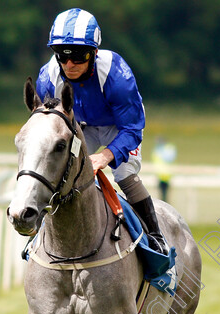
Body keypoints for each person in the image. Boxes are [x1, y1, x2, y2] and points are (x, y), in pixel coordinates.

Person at [35, 8, 168, 255]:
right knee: (55, 168)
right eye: (62, 55)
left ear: (94, 53)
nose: (69, 64)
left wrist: (105, 156)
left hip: (119, 127)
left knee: (124, 173)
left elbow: (132, 129)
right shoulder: (48, 78)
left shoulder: (117, 74)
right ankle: (39, 237)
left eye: (78, 56)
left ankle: (155, 238)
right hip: (82, 126)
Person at [152, 136, 177, 202]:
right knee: (162, 196)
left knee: (164, 196)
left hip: (166, 175)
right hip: (160, 175)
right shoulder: (158, 150)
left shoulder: (166, 149)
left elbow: (169, 158)